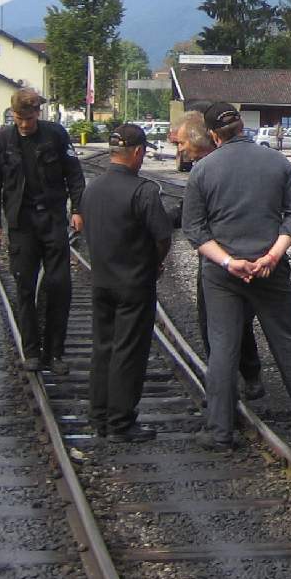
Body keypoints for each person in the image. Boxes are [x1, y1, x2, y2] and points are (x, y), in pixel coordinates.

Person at [183, 101, 291, 450]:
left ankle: (219, 430)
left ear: (212, 135)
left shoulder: (202, 171)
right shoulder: (277, 162)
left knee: (223, 347)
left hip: (222, 274)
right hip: (271, 270)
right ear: (241, 127)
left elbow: (194, 230)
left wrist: (228, 262)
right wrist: (272, 255)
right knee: (287, 341)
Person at [81, 123, 171, 443]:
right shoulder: (143, 190)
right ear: (137, 152)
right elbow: (162, 236)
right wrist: (154, 263)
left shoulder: (91, 188)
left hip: (102, 279)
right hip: (134, 282)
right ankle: (121, 421)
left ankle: (99, 415)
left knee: (102, 347)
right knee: (128, 351)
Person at [0, 89, 85, 373]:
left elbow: (74, 175)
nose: (24, 124)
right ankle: (31, 350)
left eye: (29, 118)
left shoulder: (56, 135)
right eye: (19, 118)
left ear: (37, 114)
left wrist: (78, 209)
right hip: (21, 223)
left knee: (59, 286)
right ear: (13, 115)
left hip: (52, 219)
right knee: (25, 286)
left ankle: (55, 352)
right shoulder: (3, 141)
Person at [172, 111, 265, 401]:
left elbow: (194, 220)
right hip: (247, 252)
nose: (179, 149)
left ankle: (223, 388)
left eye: (182, 142)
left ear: (201, 140)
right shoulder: (210, 164)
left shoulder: (209, 168)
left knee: (215, 322)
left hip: (222, 256)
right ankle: (245, 377)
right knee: (238, 320)